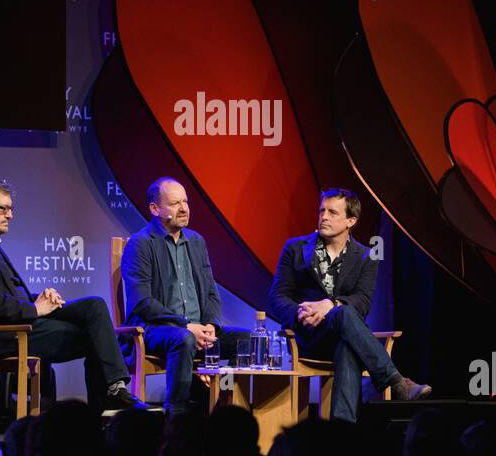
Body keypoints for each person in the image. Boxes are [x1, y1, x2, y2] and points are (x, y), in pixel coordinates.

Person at [0, 178, 146, 412]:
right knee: (95, 338)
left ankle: (116, 388)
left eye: (11, 209)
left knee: (94, 306)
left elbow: (4, 294)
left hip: (19, 321)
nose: (10, 215)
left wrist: (41, 299)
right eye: (3, 208)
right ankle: (105, 408)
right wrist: (35, 309)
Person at [267, 188, 431, 422]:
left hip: (347, 338)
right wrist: (305, 312)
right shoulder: (295, 248)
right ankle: (395, 382)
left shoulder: (367, 256)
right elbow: (277, 297)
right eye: (322, 210)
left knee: (347, 341)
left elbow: (362, 303)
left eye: (333, 212)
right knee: (343, 316)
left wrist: (329, 305)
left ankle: (340, 434)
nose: (324, 216)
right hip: (307, 337)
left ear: (351, 221)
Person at [120, 177, 241, 414]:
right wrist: (187, 326)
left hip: (198, 328)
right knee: (183, 339)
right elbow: (142, 302)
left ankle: (222, 405)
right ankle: (176, 414)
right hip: (156, 328)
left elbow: (210, 293)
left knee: (245, 340)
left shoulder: (196, 241)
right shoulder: (140, 244)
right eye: (175, 203)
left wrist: (211, 325)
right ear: (155, 209)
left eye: (185, 201)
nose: (184, 208)